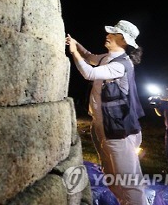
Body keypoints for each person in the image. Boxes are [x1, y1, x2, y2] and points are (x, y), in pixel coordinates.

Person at [65, 20, 147, 205]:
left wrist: (73, 52)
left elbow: (89, 73)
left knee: (129, 182)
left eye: (113, 33)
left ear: (124, 40)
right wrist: (76, 44)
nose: (108, 35)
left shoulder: (122, 64)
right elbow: (89, 57)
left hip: (119, 130)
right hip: (101, 126)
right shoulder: (106, 57)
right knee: (111, 178)